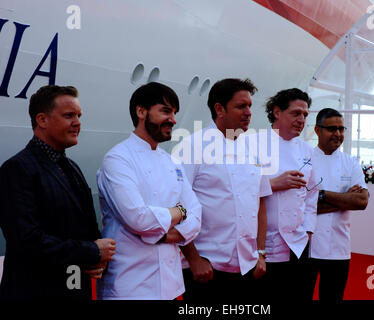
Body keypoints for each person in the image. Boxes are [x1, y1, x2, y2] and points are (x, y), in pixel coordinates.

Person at [0, 85, 116, 300]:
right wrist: (91, 251)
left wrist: (96, 260)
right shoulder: (16, 169)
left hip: (72, 289)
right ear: (42, 120)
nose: (78, 123)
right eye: (69, 115)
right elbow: (26, 240)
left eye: (79, 116)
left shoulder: (71, 167)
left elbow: (85, 229)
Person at [96, 82, 201, 300]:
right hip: (131, 287)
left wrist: (162, 234)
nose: (173, 119)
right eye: (165, 111)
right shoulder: (118, 159)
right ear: (141, 111)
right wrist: (180, 212)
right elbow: (139, 219)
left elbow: (197, 215)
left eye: (174, 113)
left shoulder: (172, 162)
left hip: (172, 286)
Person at [176, 78, 272, 301]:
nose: (248, 112)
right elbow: (177, 205)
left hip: (248, 266)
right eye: (241, 106)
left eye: (249, 105)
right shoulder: (192, 147)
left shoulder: (253, 149)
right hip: (206, 268)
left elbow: (260, 204)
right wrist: (193, 259)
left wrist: (260, 253)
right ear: (219, 109)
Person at [259, 88, 320, 301]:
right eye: (296, 113)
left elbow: (312, 194)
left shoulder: (307, 150)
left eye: (305, 115)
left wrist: (309, 229)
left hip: (299, 243)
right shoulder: (252, 144)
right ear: (277, 112)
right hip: (264, 246)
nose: (302, 120)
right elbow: (239, 190)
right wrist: (274, 184)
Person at [310, 107, 369, 302]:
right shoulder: (305, 159)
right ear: (318, 130)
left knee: (333, 298)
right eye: (331, 129)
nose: (338, 134)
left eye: (341, 129)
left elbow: (361, 201)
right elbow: (299, 207)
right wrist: (345, 199)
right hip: (306, 247)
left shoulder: (350, 162)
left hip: (339, 247)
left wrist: (322, 195)